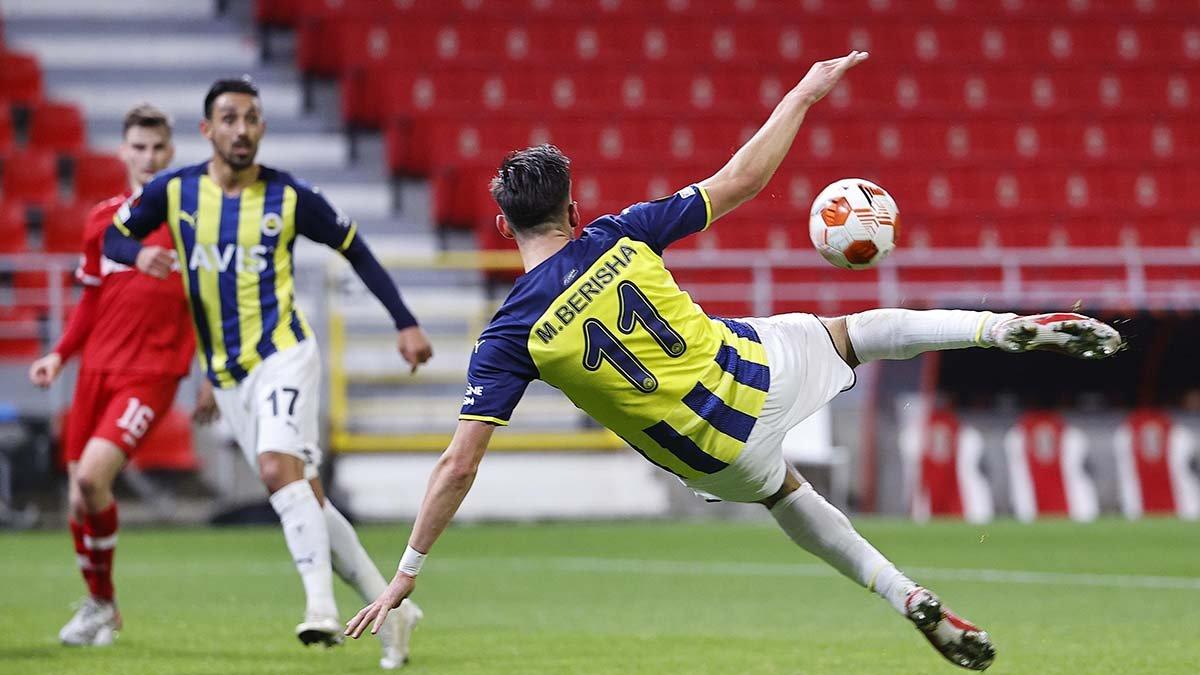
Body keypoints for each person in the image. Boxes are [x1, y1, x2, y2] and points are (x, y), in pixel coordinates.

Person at [344, 52, 1124, 671]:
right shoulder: (619, 233)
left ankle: (906, 592)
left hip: (712, 458)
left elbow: (458, 463)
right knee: (862, 330)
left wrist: (409, 566)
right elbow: (743, 178)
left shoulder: (509, 333)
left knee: (787, 496)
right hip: (757, 369)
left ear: (501, 222)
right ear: (572, 206)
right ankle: (1004, 329)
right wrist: (804, 95)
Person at [104, 77, 432, 669]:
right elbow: (113, 235)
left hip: (284, 353)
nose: (241, 129)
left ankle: (321, 610)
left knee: (277, 468)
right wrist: (138, 254)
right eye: (229, 118)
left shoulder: (290, 196)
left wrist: (404, 322)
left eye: (252, 118)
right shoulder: (172, 193)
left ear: (261, 129)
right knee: (302, 494)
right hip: (228, 377)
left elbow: (354, 246)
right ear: (208, 131)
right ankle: (395, 612)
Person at [29, 103, 207, 646]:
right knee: (79, 500)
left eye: (158, 148)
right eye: (139, 147)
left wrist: (209, 376)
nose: (149, 158)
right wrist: (60, 354)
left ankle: (101, 604)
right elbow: (90, 298)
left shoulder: (189, 222)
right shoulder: (102, 218)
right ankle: (101, 607)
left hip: (151, 372)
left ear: (171, 152)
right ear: (123, 151)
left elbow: (207, 303)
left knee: (91, 478)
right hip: (95, 371)